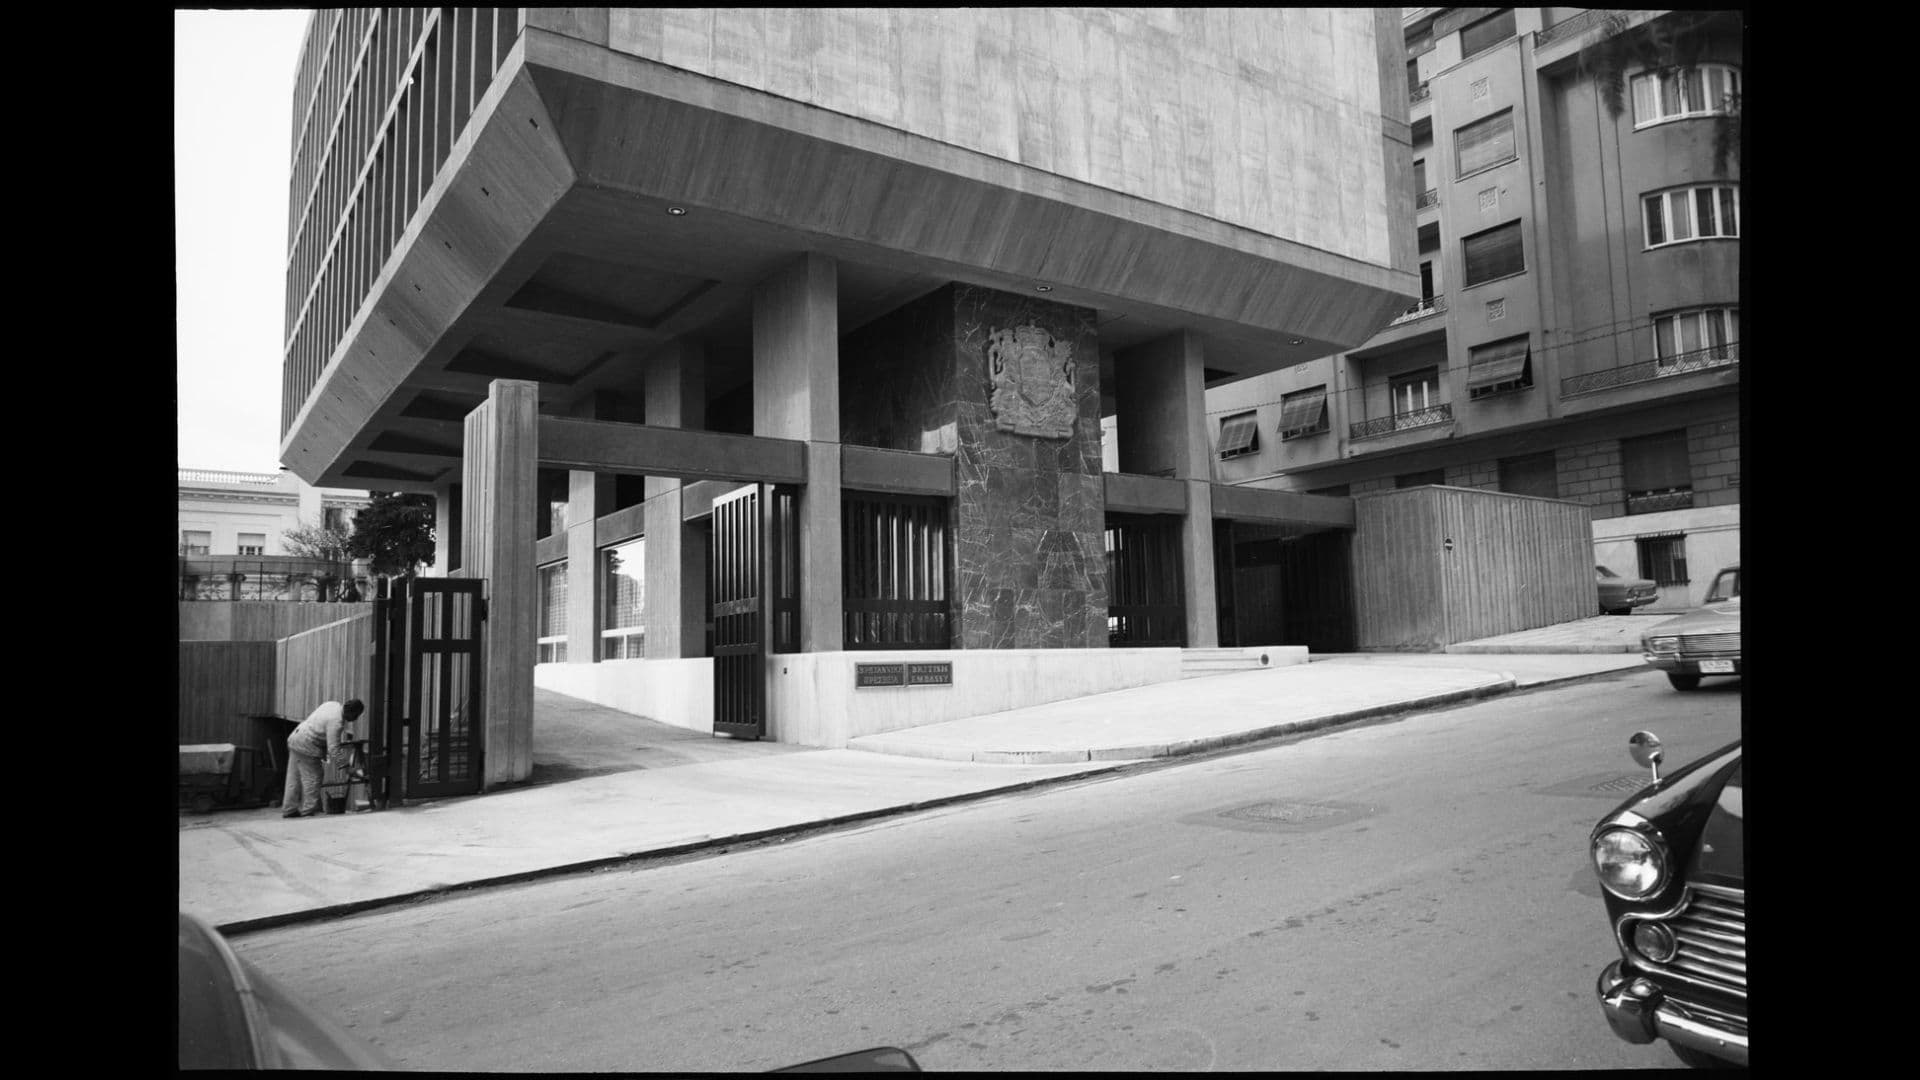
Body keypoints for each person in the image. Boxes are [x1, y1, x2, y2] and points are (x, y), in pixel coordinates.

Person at [282, 699, 364, 818]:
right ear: (351, 712)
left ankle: (289, 809)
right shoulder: (336, 722)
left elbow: (320, 726)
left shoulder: (332, 704)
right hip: (307, 745)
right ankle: (308, 811)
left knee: (294, 777)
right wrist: (347, 767)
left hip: (296, 737)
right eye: (356, 715)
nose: (355, 719)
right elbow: (333, 748)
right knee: (314, 777)